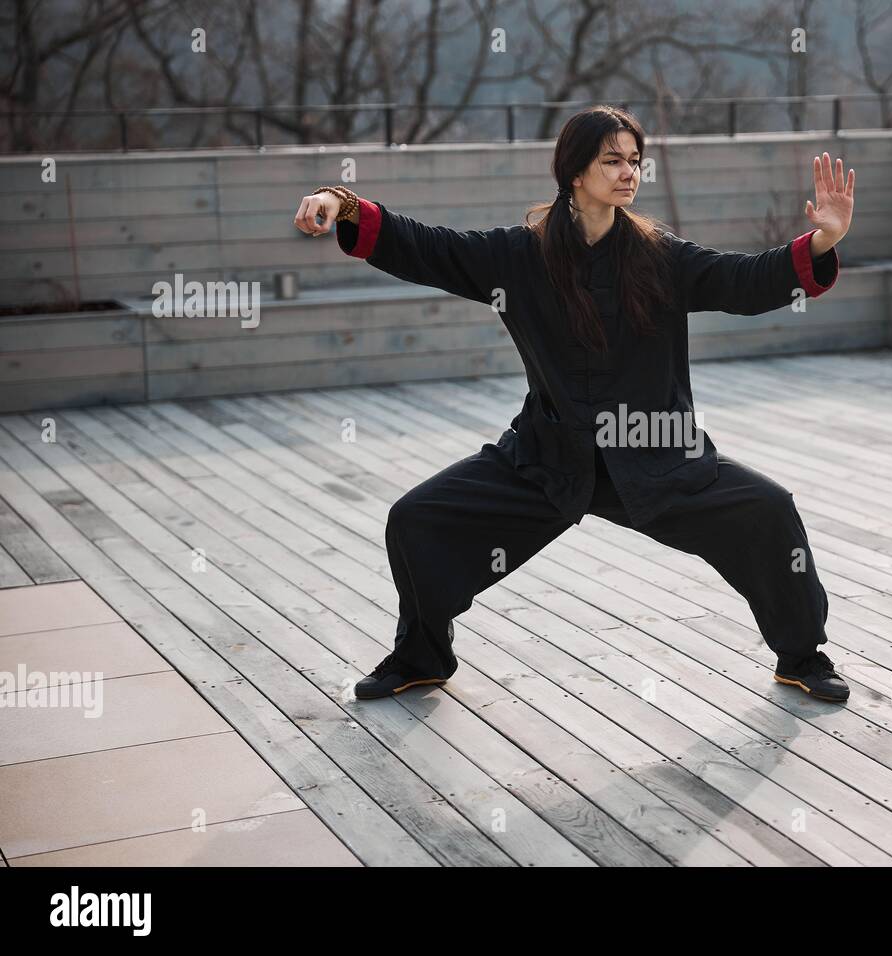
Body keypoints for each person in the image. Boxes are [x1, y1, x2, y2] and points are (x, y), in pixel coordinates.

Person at [292, 105, 855, 703]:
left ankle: (802, 656)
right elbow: (428, 247)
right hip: (550, 459)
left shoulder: (659, 257)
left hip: (654, 453)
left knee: (769, 511)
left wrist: (820, 242)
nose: (628, 172)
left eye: (635, 161)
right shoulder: (519, 256)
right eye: (611, 160)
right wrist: (341, 203)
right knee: (416, 520)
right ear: (574, 171)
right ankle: (421, 657)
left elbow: (745, 279)